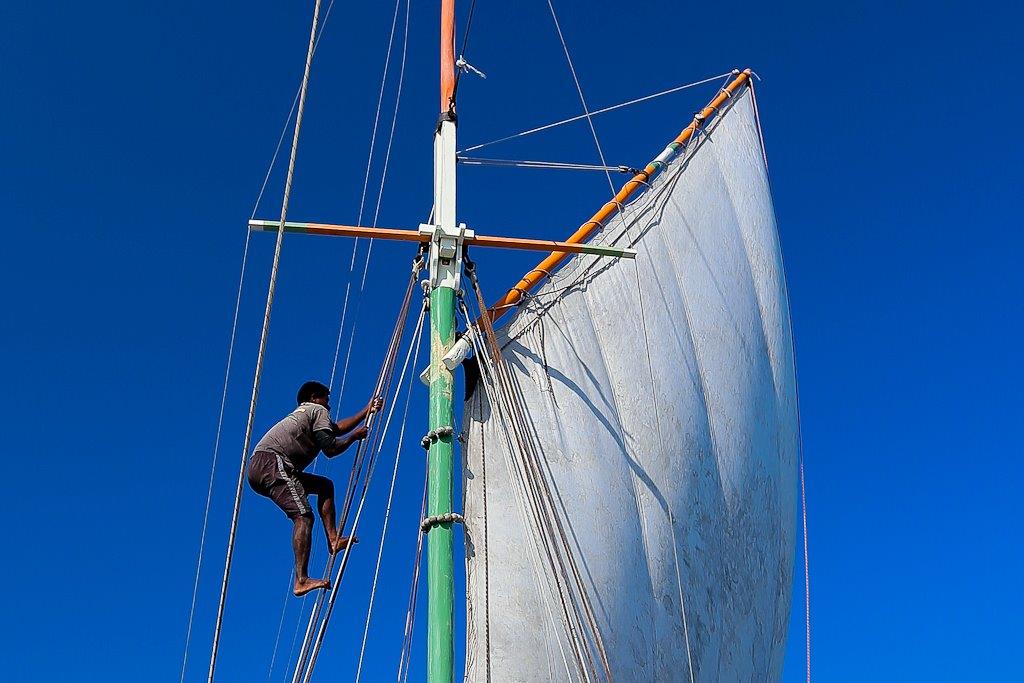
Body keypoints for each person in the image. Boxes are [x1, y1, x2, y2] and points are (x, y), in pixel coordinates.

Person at [248, 381, 382, 596]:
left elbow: (335, 429)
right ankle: (301, 580)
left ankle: (333, 539)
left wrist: (367, 410)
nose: (328, 406)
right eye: (326, 400)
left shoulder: (307, 414)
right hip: (272, 463)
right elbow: (330, 447)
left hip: (265, 466)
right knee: (303, 516)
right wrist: (354, 437)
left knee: (324, 486)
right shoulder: (316, 409)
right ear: (313, 397)